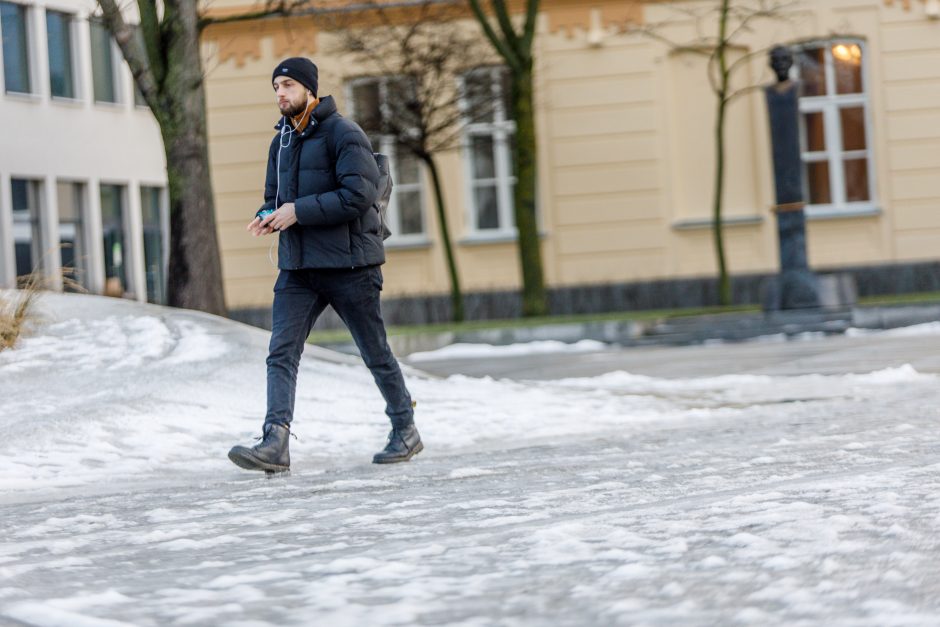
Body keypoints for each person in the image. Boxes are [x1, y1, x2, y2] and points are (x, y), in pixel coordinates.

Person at [228, 57, 422, 473]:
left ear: (309, 89)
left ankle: (405, 428)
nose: (280, 93)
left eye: (287, 85)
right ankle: (275, 442)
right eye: (275, 86)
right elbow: (275, 197)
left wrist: (297, 211)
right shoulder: (279, 142)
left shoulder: (344, 133)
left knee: (374, 351)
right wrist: (269, 215)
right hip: (298, 267)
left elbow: (358, 196)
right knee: (281, 351)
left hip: (350, 266)